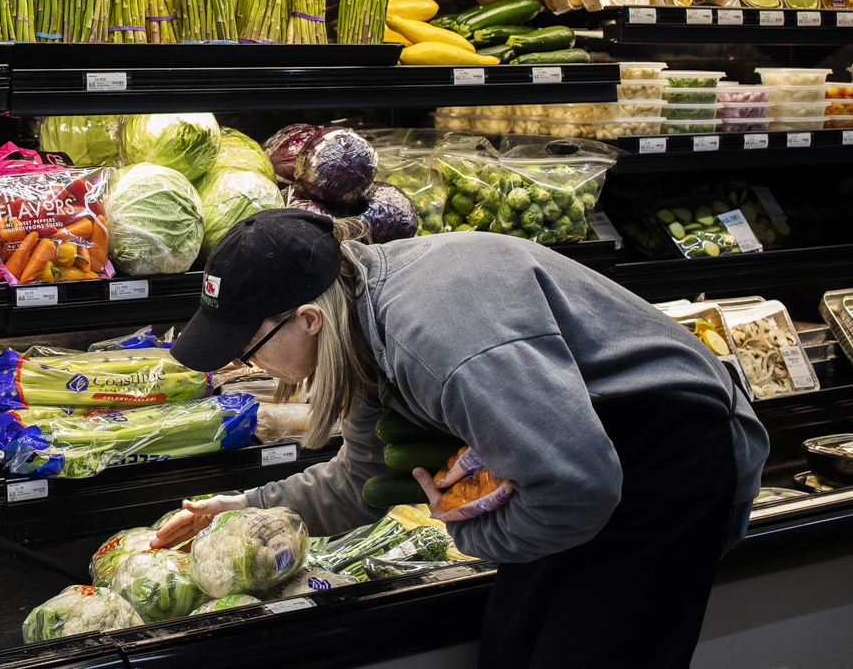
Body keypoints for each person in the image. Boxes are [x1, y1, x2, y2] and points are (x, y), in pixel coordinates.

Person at [152, 208, 769, 669]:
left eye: (250, 349)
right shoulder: (358, 312)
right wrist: (244, 510)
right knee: (512, 644)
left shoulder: (436, 340)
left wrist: (471, 530)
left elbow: (579, 487)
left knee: (592, 653)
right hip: (571, 447)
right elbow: (358, 478)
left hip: (664, 448)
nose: (252, 368)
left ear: (307, 318)